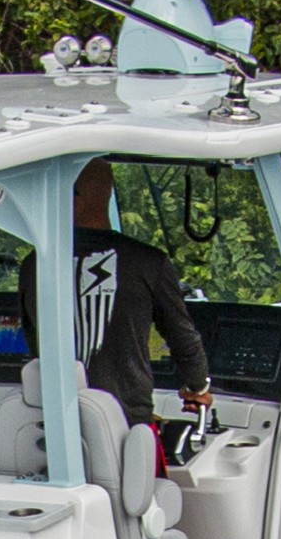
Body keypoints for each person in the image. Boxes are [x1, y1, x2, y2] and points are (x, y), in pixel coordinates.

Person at [21, 158, 215, 430]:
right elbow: (183, 338)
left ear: (76, 200)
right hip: (126, 425)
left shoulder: (33, 264)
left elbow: (35, 344)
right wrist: (198, 387)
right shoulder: (148, 262)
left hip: (52, 426)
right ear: (108, 195)